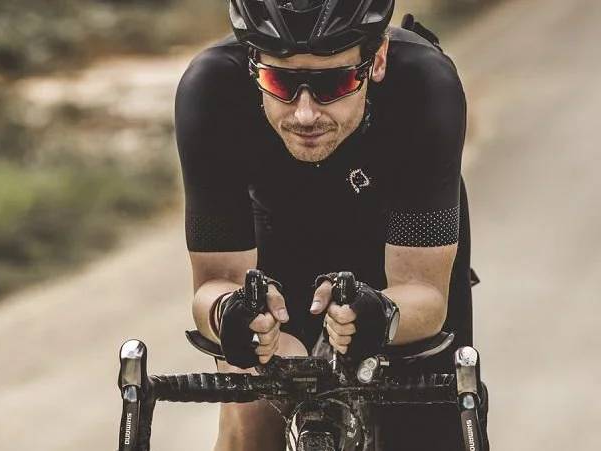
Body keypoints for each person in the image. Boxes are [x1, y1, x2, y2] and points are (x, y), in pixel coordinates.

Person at [174, 0, 489, 450]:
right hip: (279, 242)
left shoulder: (425, 85)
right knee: (252, 426)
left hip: (397, 246)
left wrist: (383, 318)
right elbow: (213, 283)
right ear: (251, 65)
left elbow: (426, 291)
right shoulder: (210, 91)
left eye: (334, 83)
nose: (304, 114)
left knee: (432, 430)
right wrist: (231, 314)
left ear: (376, 59)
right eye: (278, 81)